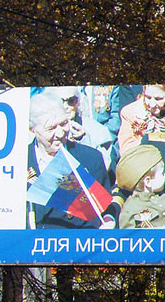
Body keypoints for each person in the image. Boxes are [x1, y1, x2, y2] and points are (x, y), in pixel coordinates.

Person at [27, 92, 119, 229]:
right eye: (50, 128)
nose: (60, 133)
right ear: (31, 129)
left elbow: (104, 208)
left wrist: (109, 219)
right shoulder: (20, 162)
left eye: (63, 124)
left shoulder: (91, 158)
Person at [117, 144, 165, 228]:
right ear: (148, 181)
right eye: (162, 173)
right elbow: (129, 238)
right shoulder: (131, 209)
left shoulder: (164, 196)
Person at [117, 84, 165, 156]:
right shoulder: (130, 112)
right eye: (148, 97)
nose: (152, 104)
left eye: (158, 99)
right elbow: (126, 151)